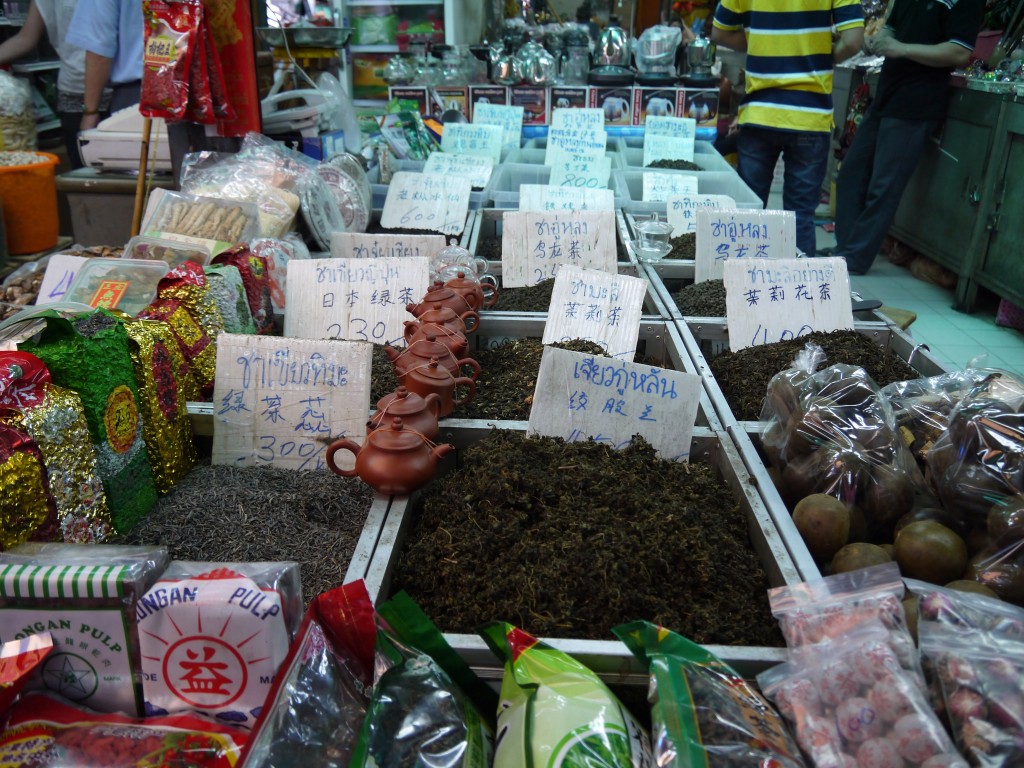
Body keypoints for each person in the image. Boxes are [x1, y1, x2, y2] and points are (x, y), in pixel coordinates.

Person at [831, 0, 985, 275]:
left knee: (884, 187)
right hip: (886, 96)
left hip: (917, 102)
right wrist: (880, 41)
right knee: (850, 173)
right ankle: (844, 249)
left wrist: (902, 49)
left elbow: (959, 51)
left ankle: (855, 258)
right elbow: (891, 27)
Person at [710, 0, 864, 260]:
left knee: (749, 211)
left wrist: (761, 44)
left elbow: (719, 32)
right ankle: (799, 293)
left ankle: (740, 286)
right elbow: (853, 41)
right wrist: (818, 56)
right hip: (809, 117)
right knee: (800, 215)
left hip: (760, 113)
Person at [0, 0, 106, 167]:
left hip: (119, 91)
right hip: (73, 92)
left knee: (125, 170)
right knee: (83, 174)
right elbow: (26, 38)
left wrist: (90, 111)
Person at [65, 0, 143, 132]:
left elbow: (99, 52)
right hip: (184, 88)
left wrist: (90, 112)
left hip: (135, 98)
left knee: (137, 150)